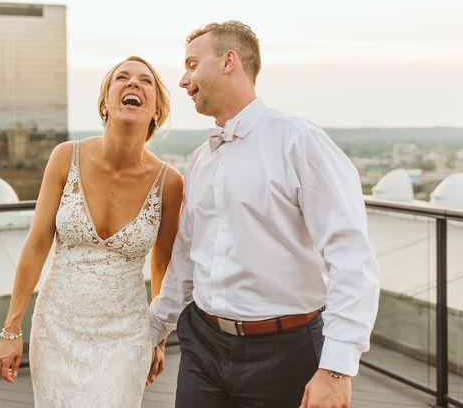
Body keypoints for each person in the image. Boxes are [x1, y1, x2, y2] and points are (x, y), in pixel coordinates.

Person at [148, 21, 380, 408]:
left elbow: (351, 258)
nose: (184, 80)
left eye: (191, 64)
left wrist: (336, 369)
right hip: (202, 346)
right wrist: (154, 329)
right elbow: (187, 258)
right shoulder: (200, 160)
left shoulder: (300, 142)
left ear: (229, 61)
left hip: (287, 353)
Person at [0, 56, 182, 407]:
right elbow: (36, 246)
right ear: (104, 103)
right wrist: (11, 329)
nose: (133, 84)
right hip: (57, 329)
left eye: (146, 82)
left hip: (126, 336)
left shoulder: (169, 183)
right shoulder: (66, 157)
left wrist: (157, 336)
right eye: (122, 78)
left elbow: (163, 266)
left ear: (157, 109)